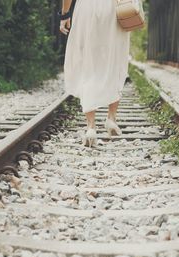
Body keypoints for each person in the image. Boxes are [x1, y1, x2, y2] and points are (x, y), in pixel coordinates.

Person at [60, 0, 130, 147]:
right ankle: (111, 118)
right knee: (114, 59)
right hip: (113, 9)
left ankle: (91, 127)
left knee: (88, 62)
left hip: (86, 8)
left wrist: (65, 14)